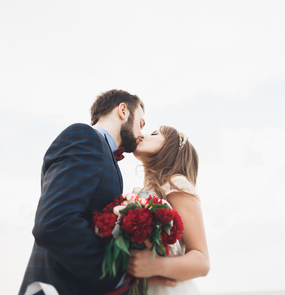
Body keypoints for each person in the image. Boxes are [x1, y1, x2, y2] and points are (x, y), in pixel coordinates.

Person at [19, 89, 174, 295]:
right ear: (123, 111)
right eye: (141, 123)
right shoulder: (84, 137)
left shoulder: (102, 153)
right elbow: (55, 223)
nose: (141, 132)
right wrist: (118, 277)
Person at [127, 126, 210, 294]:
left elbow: (202, 261)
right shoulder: (141, 193)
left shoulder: (175, 183)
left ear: (170, 148)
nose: (142, 135)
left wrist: (156, 265)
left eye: (155, 133)